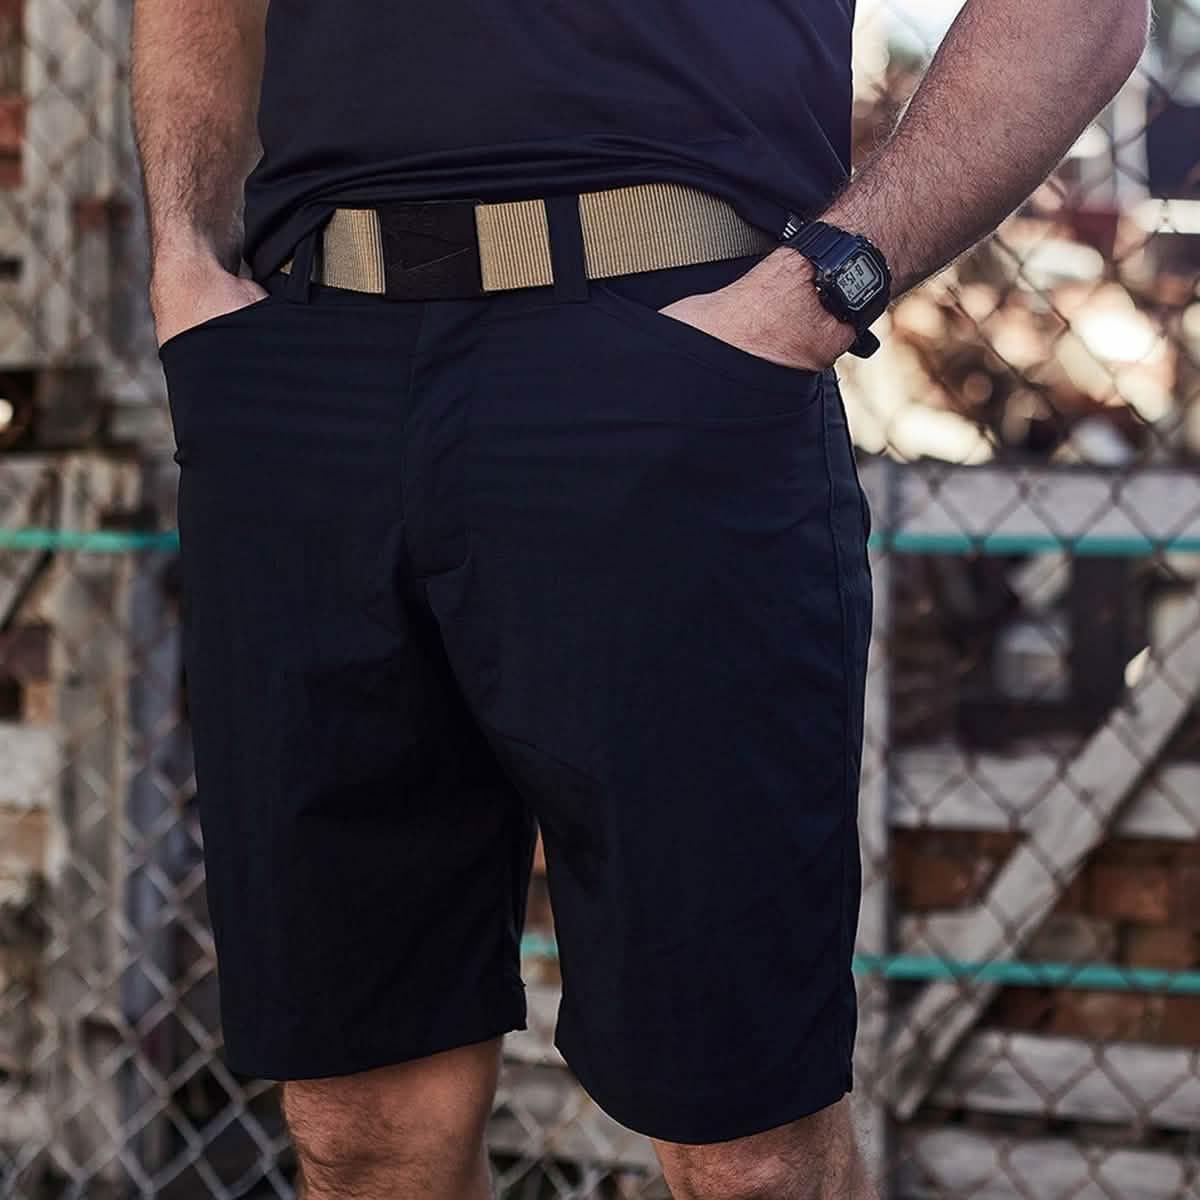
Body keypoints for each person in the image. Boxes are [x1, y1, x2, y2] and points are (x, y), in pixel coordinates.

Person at [131, 2, 1147, 1196]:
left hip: (672, 358)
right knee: (358, 1124)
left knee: (749, 1152)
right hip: (310, 369)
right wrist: (184, 262)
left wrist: (823, 285)